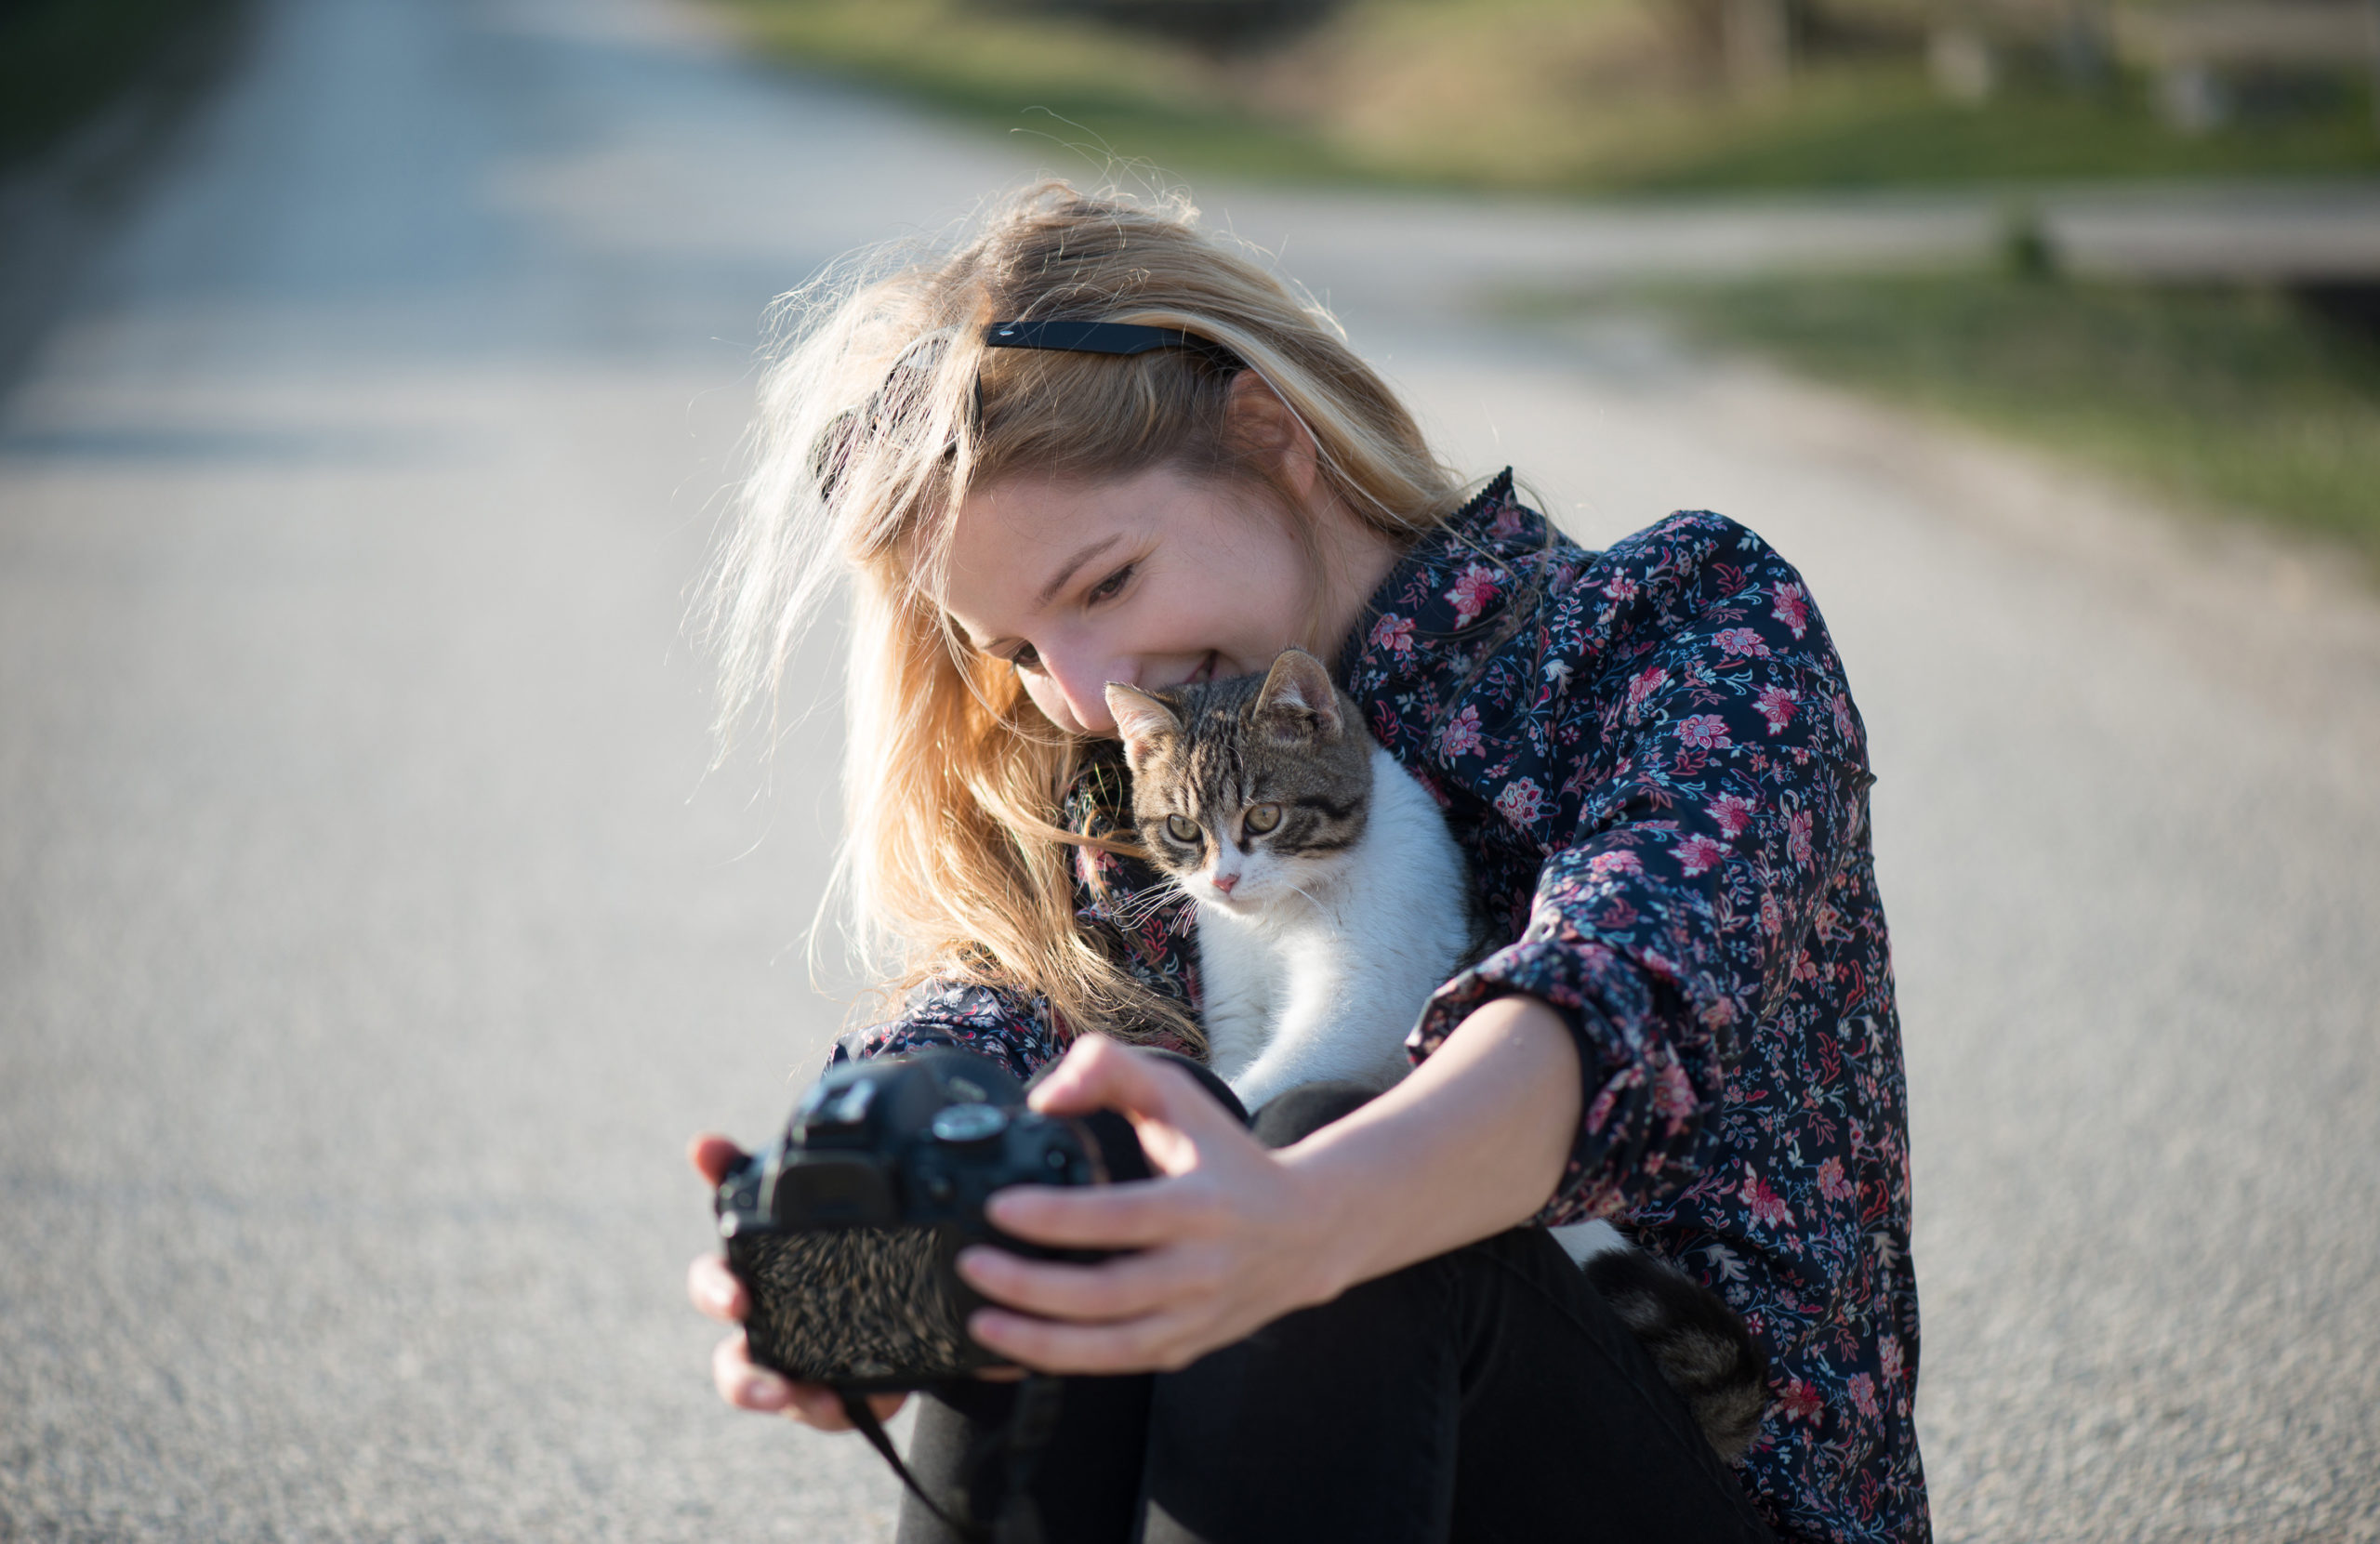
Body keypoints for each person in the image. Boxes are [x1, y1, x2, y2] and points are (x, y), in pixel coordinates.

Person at [684, 182, 1929, 1543]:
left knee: (1318, 1143)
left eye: (1104, 584)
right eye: (1023, 654)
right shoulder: (1132, 790)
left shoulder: (1678, 630)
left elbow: (1614, 1001)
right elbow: (983, 1017)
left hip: (1700, 1485)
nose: (1089, 693)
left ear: (1271, 437)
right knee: (1074, 1142)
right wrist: (856, 1230)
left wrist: (1304, 1210)